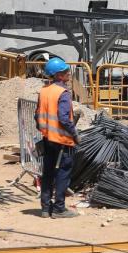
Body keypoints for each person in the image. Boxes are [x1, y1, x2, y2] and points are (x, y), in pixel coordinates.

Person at [35, 57, 79, 218]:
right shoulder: (63, 93)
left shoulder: (44, 91)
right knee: (63, 173)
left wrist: (45, 131)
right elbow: (63, 118)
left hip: (47, 139)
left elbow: (37, 116)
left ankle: (45, 208)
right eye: (66, 71)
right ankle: (59, 209)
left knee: (47, 173)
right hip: (62, 140)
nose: (68, 74)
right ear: (59, 75)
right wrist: (74, 134)